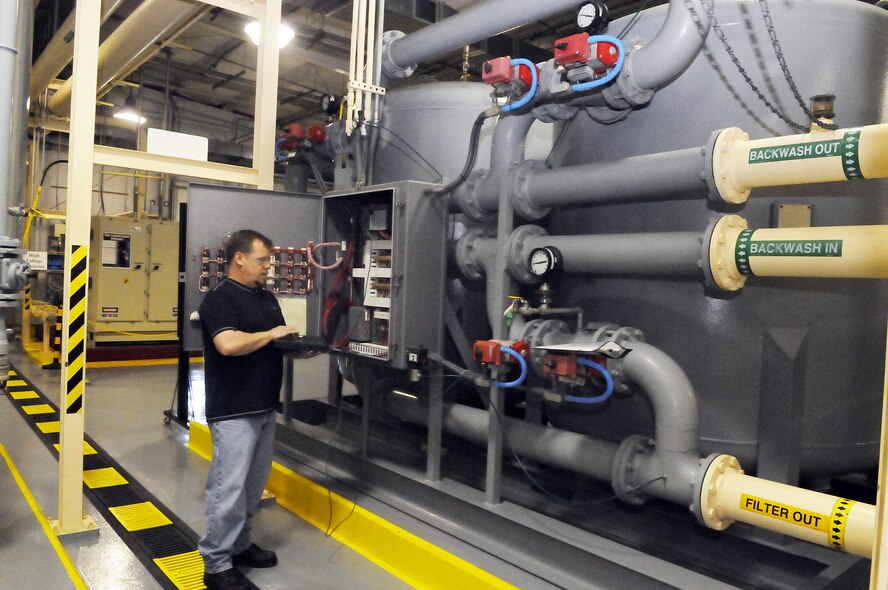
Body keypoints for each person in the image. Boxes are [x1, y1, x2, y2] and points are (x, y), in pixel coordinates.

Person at [198, 229, 298, 590]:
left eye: (269, 260)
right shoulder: (219, 300)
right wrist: (272, 334)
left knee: (253, 487)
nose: (268, 267)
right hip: (233, 410)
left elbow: (271, 342)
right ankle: (216, 563)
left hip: (264, 407)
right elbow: (228, 344)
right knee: (228, 488)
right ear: (239, 259)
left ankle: (239, 545)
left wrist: (298, 347)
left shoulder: (267, 298)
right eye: (262, 260)